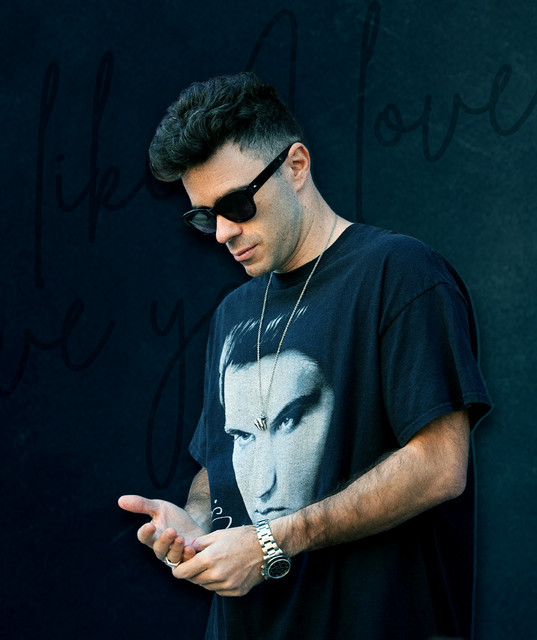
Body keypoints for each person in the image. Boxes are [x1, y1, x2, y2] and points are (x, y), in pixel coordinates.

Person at [119, 72, 491, 640]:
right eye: (204, 216)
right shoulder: (233, 312)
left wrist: (271, 543)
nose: (222, 232)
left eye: (237, 203)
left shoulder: (400, 273)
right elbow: (218, 464)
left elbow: (440, 465)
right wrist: (194, 525)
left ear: (296, 166)